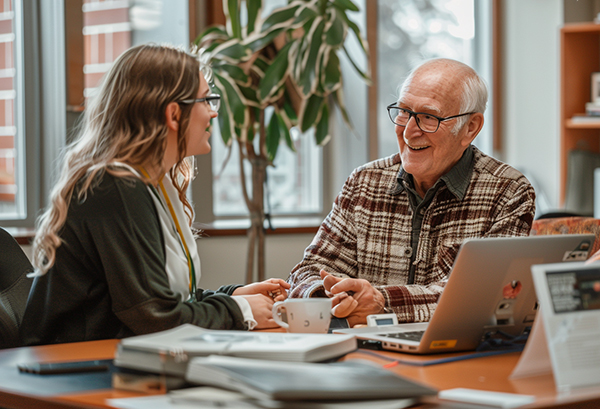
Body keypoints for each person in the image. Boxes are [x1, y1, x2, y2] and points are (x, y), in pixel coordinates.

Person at [20, 44, 289, 346]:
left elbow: (160, 300)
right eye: (206, 100)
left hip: (112, 360)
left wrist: (233, 296)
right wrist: (239, 311)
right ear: (174, 114)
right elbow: (156, 319)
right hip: (71, 371)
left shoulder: (153, 183)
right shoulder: (114, 186)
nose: (213, 112)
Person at [287, 58, 536, 327]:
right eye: (404, 112)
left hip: (456, 358)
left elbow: (486, 296)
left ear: (470, 128)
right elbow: (308, 270)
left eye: (428, 117)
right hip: (361, 351)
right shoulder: (363, 183)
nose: (408, 132)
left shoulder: (509, 192)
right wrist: (330, 295)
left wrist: (381, 302)